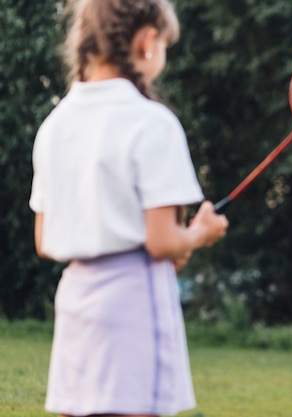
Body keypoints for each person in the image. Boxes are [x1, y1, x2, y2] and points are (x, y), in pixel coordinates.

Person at [29, 0, 229, 416]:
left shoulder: (55, 125)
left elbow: (44, 240)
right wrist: (198, 234)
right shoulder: (152, 121)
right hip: (132, 303)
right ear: (146, 40)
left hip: (76, 301)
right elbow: (161, 241)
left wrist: (168, 247)